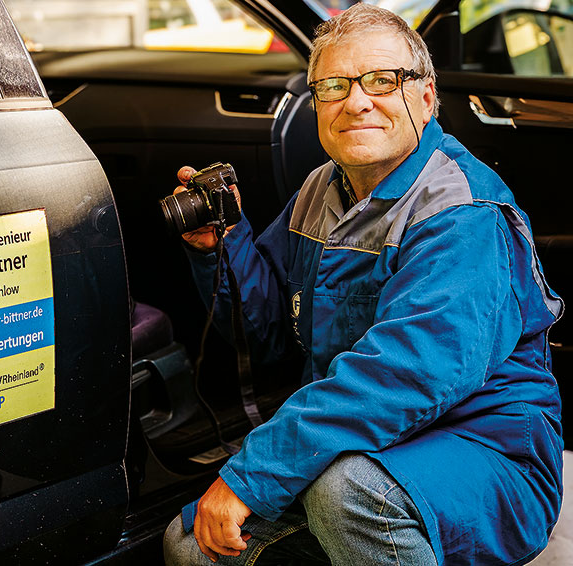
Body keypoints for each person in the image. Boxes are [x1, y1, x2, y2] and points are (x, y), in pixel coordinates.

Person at [162, 4, 564, 566]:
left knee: (348, 492)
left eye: (382, 80)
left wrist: (254, 474)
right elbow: (274, 330)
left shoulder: (461, 210)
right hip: (369, 443)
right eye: (333, 85)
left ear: (426, 97)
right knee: (193, 548)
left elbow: (406, 374)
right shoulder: (322, 188)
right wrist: (221, 247)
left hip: (483, 454)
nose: (356, 101)